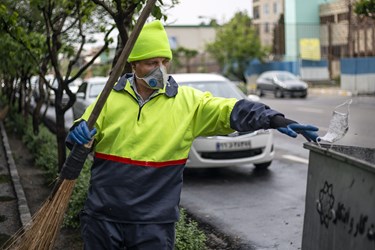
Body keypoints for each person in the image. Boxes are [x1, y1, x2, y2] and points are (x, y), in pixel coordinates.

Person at [66, 20, 319, 250]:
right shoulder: (108, 99)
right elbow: (82, 132)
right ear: (134, 65)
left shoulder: (188, 103)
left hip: (153, 225)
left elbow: (229, 110)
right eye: (152, 63)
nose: (161, 69)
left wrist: (273, 118)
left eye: (165, 61)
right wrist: (78, 132)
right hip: (103, 220)